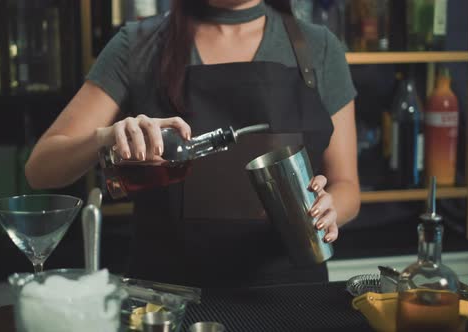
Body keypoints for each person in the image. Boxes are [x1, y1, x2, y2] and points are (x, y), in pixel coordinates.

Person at [25, 0, 360, 288]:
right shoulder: (137, 45)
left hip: (291, 296)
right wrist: (107, 135)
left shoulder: (319, 47)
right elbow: (41, 170)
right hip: (168, 298)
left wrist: (328, 212)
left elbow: (346, 186)